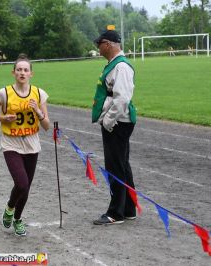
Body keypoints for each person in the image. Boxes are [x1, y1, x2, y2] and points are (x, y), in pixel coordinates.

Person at [0, 53, 50, 236]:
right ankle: (9, 208)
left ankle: (18, 219)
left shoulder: (39, 94)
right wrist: (3, 117)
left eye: (26, 70)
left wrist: (38, 111)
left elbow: (46, 126)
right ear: (13, 72)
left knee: (27, 186)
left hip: (32, 144)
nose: (22, 73)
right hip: (11, 143)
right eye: (19, 69)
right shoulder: (4, 93)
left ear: (31, 74)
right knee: (21, 183)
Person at [92, 26, 137, 225]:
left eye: (99, 44)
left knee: (115, 167)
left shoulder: (122, 66)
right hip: (117, 121)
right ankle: (128, 208)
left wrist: (108, 121)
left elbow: (122, 98)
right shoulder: (115, 64)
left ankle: (116, 213)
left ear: (108, 44)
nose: (97, 47)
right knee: (122, 165)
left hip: (118, 122)